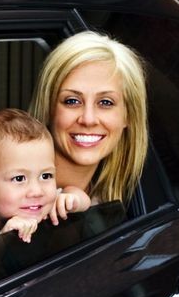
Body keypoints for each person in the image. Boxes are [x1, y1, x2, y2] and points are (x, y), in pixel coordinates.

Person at [30, 31, 148, 206]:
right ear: (48, 108)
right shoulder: (8, 200)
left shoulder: (106, 205)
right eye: (72, 101)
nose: (88, 119)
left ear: (128, 115)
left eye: (106, 102)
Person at [0, 108, 87, 244]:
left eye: (46, 176)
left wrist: (71, 200)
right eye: (19, 178)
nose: (37, 192)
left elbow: (84, 201)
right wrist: (2, 239)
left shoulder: (41, 205)